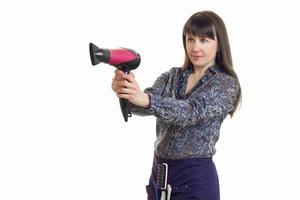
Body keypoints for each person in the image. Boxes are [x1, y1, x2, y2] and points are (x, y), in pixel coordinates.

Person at [111, 10, 241, 200]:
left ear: (219, 43)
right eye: (190, 39)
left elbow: (191, 112)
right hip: (159, 174)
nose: (195, 47)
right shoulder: (172, 76)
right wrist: (126, 93)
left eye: (204, 40)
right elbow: (143, 105)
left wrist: (146, 99)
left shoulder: (226, 84)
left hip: (195, 177)